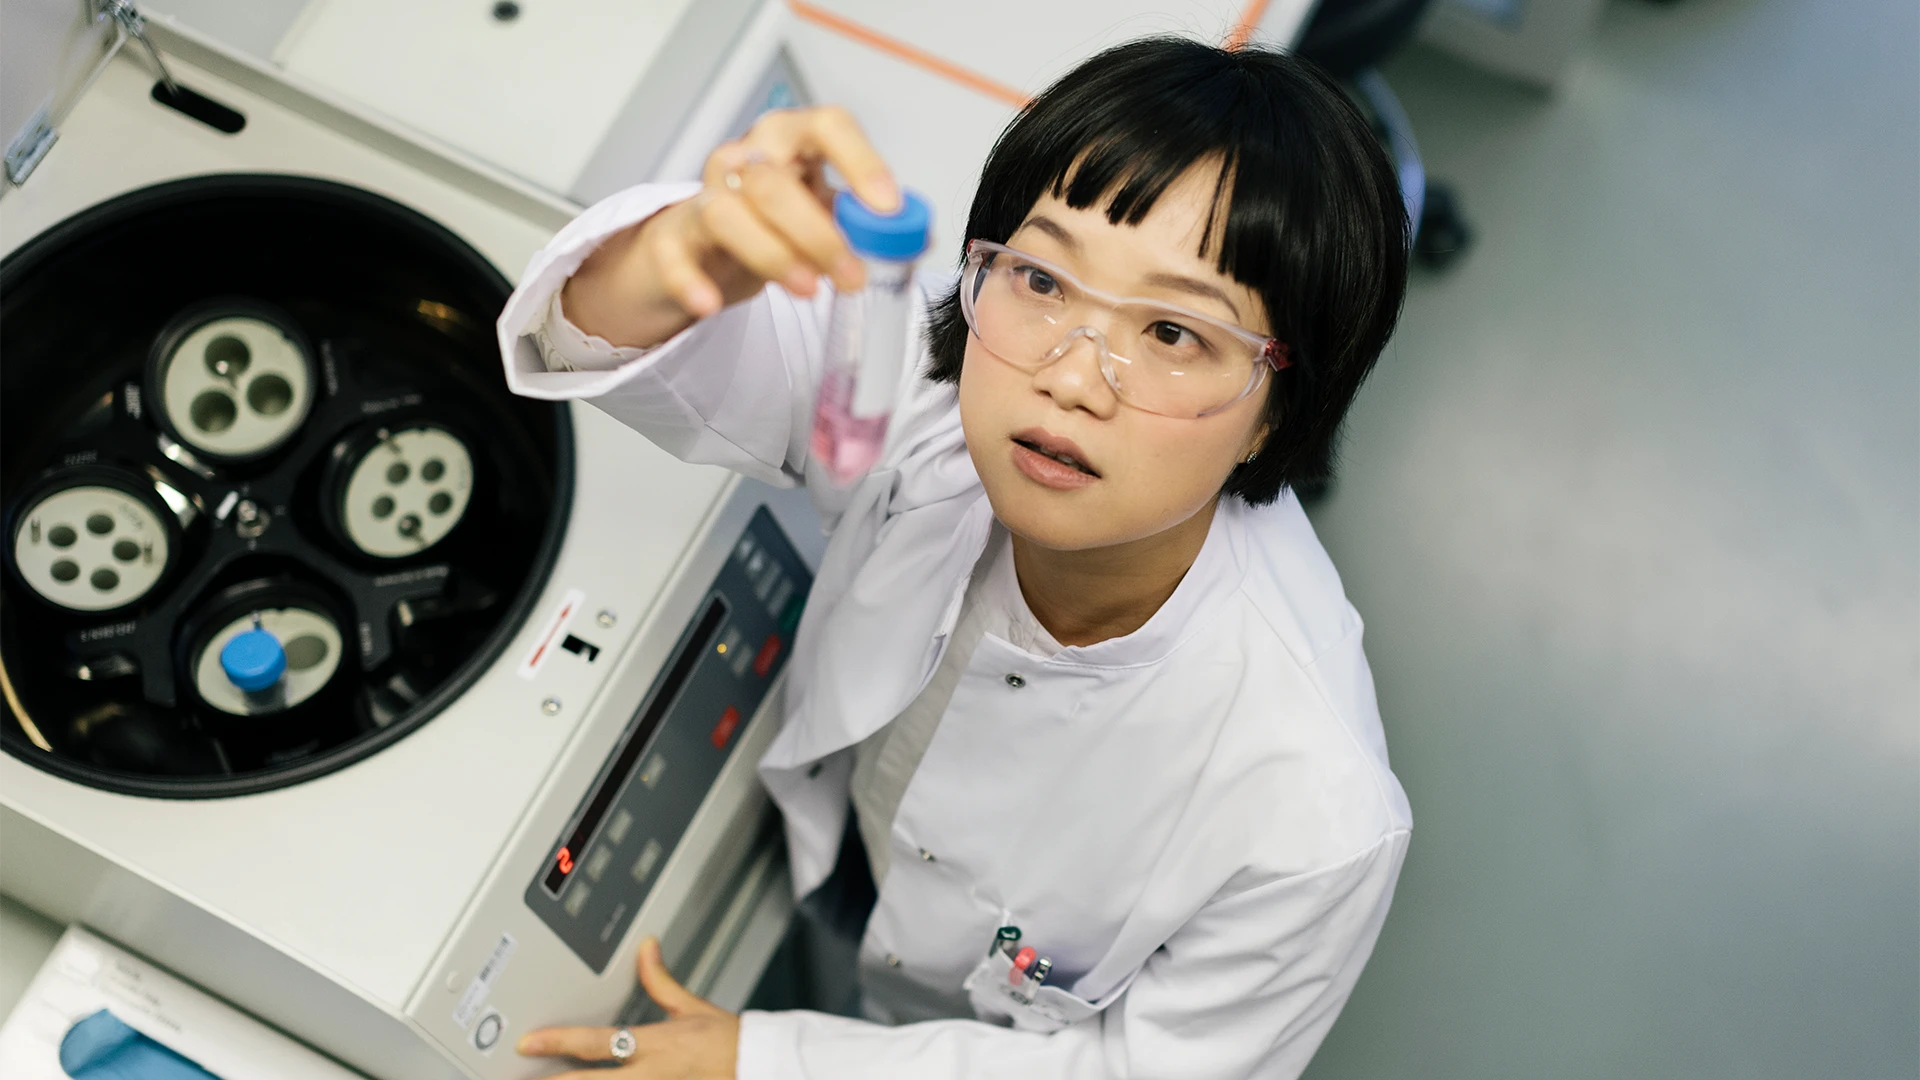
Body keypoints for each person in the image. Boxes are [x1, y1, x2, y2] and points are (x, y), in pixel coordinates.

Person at [498, 35, 1410, 1080]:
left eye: (1170, 332)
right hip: (842, 864)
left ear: (1278, 413)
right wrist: (679, 256)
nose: (1070, 377)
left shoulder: (1313, 817)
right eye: (1042, 276)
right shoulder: (928, 395)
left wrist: (771, 1063)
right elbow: (598, 341)